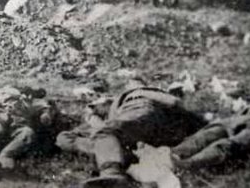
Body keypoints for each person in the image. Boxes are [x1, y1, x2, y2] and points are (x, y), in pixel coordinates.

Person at [65, 78, 205, 188]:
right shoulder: (117, 104)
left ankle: (112, 173)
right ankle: (115, 156)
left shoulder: (140, 92)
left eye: (131, 83)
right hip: (140, 130)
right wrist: (92, 117)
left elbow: (173, 101)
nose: (128, 85)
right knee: (97, 135)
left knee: (105, 133)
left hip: (142, 114)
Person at [0, 86, 59, 176]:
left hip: (17, 124)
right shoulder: (2, 93)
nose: (30, 94)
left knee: (27, 133)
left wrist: (46, 114)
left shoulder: (30, 102)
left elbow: (46, 108)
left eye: (33, 93)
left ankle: (5, 157)